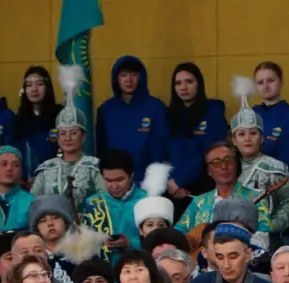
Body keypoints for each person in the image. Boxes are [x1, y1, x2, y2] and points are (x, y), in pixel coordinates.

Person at [230, 77, 289, 235]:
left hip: (268, 238)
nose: (247, 138)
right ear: (233, 140)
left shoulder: (275, 168)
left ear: (262, 138)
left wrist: (271, 226)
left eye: (253, 133)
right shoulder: (226, 169)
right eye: (241, 134)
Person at [30, 66, 106, 209]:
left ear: (83, 136)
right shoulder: (46, 168)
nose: (67, 138)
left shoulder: (94, 167)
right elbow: (33, 203)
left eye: (73, 132)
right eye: (63, 133)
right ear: (57, 137)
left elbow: (104, 202)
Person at [175, 143, 272, 245]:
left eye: (228, 160)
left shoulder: (256, 197)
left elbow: (263, 238)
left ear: (237, 164)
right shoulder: (199, 201)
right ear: (208, 170)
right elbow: (177, 233)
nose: (224, 166)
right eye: (216, 162)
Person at [96, 56, 169, 181]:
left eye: (134, 74)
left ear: (141, 77)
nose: (129, 80)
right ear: (116, 78)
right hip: (115, 183)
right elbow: (101, 149)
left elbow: (162, 147)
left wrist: (156, 181)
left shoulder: (156, 107)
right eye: (123, 75)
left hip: (148, 182)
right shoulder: (106, 109)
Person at [167, 63, 228, 199]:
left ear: (199, 83)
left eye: (189, 81)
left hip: (204, 187)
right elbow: (164, 153)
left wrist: (180, 180)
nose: (183, 87)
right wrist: (172, 184)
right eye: (178, 83)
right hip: (174, 190)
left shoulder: (213, 111)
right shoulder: (169, 115)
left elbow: (212, 152)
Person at [80, 150, 146, 266]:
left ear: (131, 176)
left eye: (119, 180)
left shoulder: (147, 200)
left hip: (140, 267)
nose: (114, 186)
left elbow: (159, 241)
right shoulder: (94, 203)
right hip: (105, 272)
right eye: (108, 180)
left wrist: (130, 244)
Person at [253, 62, 289, 182]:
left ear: (280, 82)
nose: (265, 86)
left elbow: (286, 161)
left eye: (270, 80)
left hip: (279, 184)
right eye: (260, 82)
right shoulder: (251, 114)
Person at [13, 66, 63, 182]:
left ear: (48, 87)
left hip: (56, 178)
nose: (34, 89)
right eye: (29, 85)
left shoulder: (59, 114)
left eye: (39, 84)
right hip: (25, 182)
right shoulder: (18, 119)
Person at [29, 194, 80, 283]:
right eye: (43, 220)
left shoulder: (83, 253)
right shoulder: (32, 258)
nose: (50, 224)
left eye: (55, 218)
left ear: (66, 222)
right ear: (37, 228)